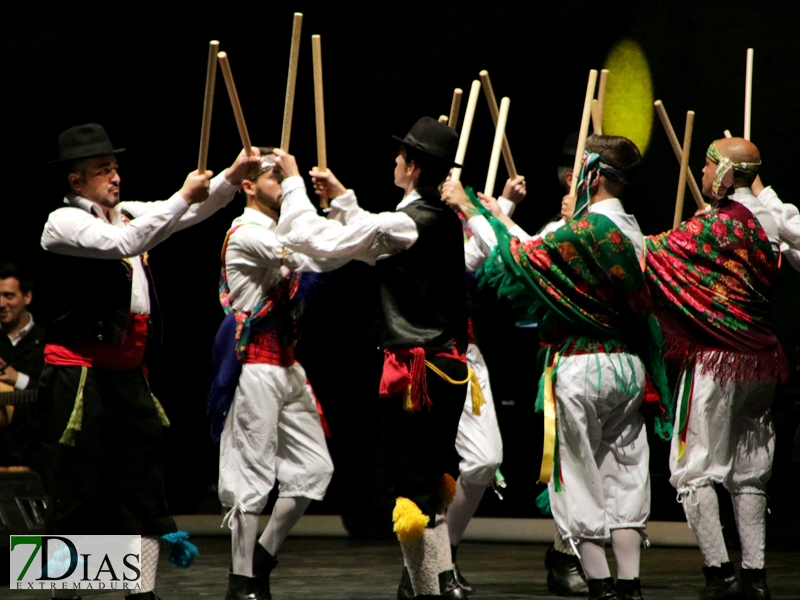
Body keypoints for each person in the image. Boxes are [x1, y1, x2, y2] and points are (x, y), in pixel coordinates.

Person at [443, 134, 673, 600]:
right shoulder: (629, 229)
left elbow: (521, 260)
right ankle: (629, 585)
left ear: (592, 173)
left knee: (577, 477)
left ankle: (601, 585)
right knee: (627, 473)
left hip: (583, 365)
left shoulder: (586, 233)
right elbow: (544, 253)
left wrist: (472, 210)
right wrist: (499, 213)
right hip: (629, 368)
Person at [37, 123, 259, 600]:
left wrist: (230, 175)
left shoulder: (128, 214)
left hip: (127, 371)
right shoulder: (64, 223)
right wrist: (182, 195)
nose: (115, 177)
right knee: (75, 486)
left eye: (115, 167)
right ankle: (64, 592)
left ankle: (141, 592)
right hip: (78, 372)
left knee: (143, 484)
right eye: (102, 170)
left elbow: (192, 210)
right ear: (76, 183)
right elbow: (126, 243)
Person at [272, 116, 470, 599]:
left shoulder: (410, 222)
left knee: (412, 487)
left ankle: (426, 589)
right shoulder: (438, 220)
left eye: (400, 156)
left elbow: (322, 242)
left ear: (413, 167)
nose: (394, 162)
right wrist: (342, 199)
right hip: (448, 368)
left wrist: (293, 185)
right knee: (430, 481)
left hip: (417, 372)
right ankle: (439, 583)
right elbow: (368, 238)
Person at [644, 137, 784, 600]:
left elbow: (649, 254)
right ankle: (756, 576)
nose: (701, 176)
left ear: (723, 172)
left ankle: (719, 573)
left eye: (705, 168)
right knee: (750, 471)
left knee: (694, 469)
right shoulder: (772, 217)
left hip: (718, 360)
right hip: (762, 361)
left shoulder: (712, 227)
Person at [215, 148, 347, 600]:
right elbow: (317, 256)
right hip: (254, 366)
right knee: (250, 477)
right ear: (248, 186)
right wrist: (309, 204)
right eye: (273, 177)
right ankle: (241, 581)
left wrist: (331, 204)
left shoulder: (278, 228)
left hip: (288, 365)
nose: (281, 183)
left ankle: (262, 558)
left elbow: (321, 249)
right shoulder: (247, 231)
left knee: (314, 469)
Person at [0, 262, 45, 468]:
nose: (1, 303)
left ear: (27, 297)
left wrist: (17, 379)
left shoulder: (46, 342)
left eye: (9, 296)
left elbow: (57, 395)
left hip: (33, 455)